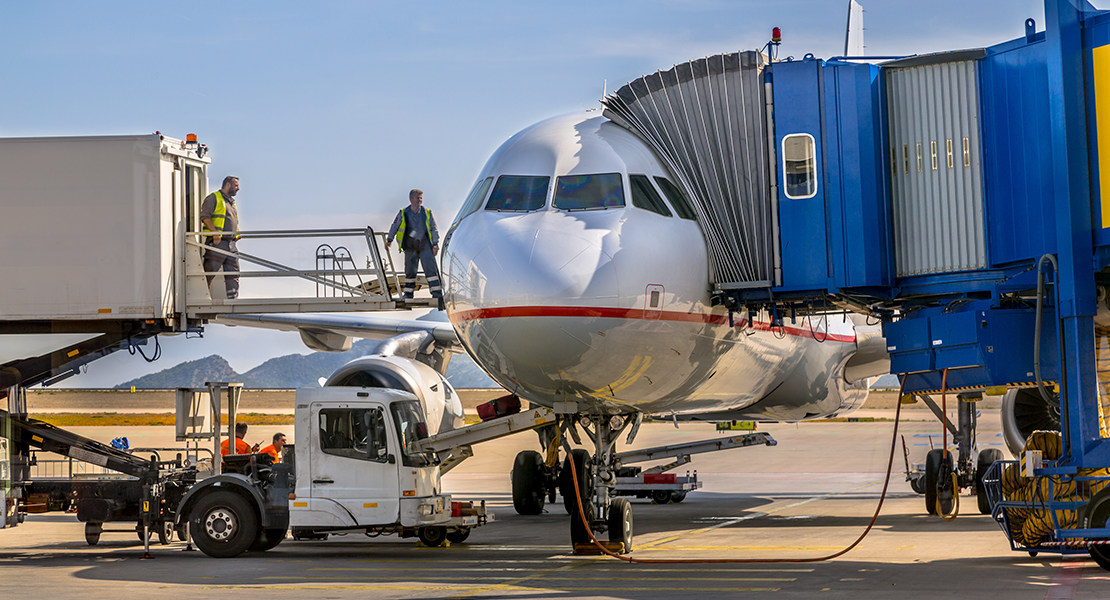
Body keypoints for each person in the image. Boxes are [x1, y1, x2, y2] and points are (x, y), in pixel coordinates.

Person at [386, 189, 442, 300]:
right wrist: (389, 240)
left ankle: (437, 294)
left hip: (425, 247)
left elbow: (434, 229)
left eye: (421, 198)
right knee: (410, 272)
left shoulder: (427, 213)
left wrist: (435, 245)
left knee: (431, 271)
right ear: (411, 199)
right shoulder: (403, 213)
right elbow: (394, 226)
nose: (419, 200)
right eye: (417, 198)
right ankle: (408, 294)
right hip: (410, 248)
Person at [200, 175, 242, 300]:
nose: (238, 188)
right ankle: (202, 296)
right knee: (210, 271)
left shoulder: (231, 203)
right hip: (218, 242)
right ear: (227, 185)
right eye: (236, 185)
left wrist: (237, 234)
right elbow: (205, 217)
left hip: (231, 243)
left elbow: (233, 221)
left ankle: (233, 299)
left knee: (233, 272)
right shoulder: (214, 198)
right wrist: (214, 233)